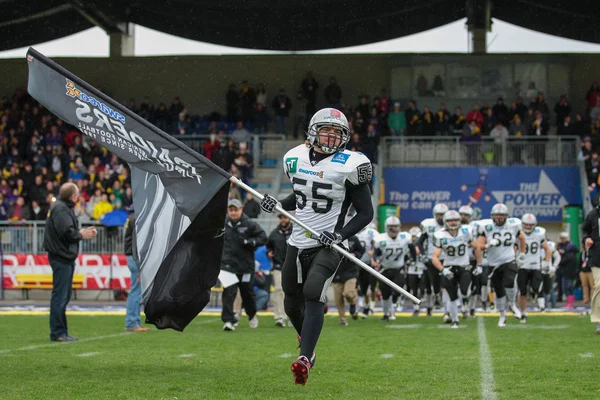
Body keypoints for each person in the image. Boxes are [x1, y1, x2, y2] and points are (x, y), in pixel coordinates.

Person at [259, 107, 374, 385]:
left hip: (329, 244)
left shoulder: (351, 164)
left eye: (338, 133)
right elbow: (301, 197)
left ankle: (306, 357)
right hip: (297, 241)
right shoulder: (295, 157)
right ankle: (305, 337)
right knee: (290, 301)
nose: (332, 137)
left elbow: (366, 213)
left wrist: (339, 235)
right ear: (313, 131)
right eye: (327, 131)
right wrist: (278, 204)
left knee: (313, 293)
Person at [44, 182, 97, 342]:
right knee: (60, 296)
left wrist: (79, 233)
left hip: (61, 256)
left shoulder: (60, 207)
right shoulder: (61, 209)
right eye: (77, 193)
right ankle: (59, 333)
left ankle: (60, 332)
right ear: (73, 196)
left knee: (61, 296)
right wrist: (82, 235)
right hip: (61, 257)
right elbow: (66, 232)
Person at [220, 199, 267, 331]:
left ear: (241, 209)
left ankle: (252, 315)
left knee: (248, 294)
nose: (233, 212)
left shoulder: (250, 224)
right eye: (231, 210)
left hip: (245, 266)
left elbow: (263, 237)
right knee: (229, 293)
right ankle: (229, 320)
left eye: (236, 209)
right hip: (227, 266)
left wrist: (250, 242)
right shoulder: (222, 224)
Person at [476, 203, 526, 327]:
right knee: (499, 291)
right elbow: (478, 245)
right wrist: (488, 245)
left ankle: (512, 304)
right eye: (497, 215)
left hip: (509, 259)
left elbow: (522, 238)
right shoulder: (486, 227)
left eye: (502, 215)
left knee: (510, 282)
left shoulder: (513, 225)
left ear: (506, 216)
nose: (499, 218)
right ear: (492, 216)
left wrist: (522, 252)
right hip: (493, 263)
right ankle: (502, 315)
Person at [432, 210, 481, 328]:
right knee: (452, 295)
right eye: (450, 220)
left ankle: (464, 301)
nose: (453, 223)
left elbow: (477, 247)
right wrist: (442, 269)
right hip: (449, 267)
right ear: (445, 221)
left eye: (455, 220)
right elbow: (435, 257)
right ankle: (455, 320)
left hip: (464, 266)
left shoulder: (466, 231)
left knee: (465, 290)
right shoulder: (440, 235)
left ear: (459, 221)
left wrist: (479, 264)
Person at [373, 217, 415, 322]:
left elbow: (412, 249)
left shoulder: (405, 237)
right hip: (385, 269)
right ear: (387, 227)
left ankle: (395, 302)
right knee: (385, 294)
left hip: (398, 268)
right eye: (392, 226)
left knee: (398, 288)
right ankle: (386, 314)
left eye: (396, 226)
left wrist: (412, 259)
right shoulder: (381, 239)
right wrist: (375, 259)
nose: (394, 229)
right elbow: (376, 253)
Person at [517, 214, 551, 323]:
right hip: (522, 266)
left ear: (534, 225)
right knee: (522, 292)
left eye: (530, 225)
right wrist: (515, 258)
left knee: (536, 288)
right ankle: (523, 313)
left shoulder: (539, 233)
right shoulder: (518, 234)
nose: (527, 227)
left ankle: (534, 293)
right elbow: (513, 248)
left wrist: (546, 261)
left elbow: (547, 249)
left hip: (535, 265)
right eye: (526, 224)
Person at [417, 203, 449, 316]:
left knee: (447, 284)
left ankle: (447, 310)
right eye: (439, 214)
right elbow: (419, 242)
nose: (441, 217)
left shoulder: (452, 224)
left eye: (443, 214)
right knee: (434, 283)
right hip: (432, 259)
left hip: (447, 259)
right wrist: (423, 255)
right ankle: (436, 299)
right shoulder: (429, 225)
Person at [124, 206, 151, 332]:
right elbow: (137, 241)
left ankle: (135, 321)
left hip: (133, 256)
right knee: (135, 290)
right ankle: (131, 322)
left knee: (136, 290)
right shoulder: (137, 218)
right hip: (136, 257)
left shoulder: (132, 217)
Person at [266, 214, 293, 327]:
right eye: (281, 218)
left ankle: (294, 316)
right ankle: (280, 316)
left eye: (285, 218)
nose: (283, 220)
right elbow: (268, 246)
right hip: (278, 266)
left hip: (293, 266)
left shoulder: (296, 231)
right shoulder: (274, 233)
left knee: (293, 292)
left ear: (289, 218)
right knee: (278, 290)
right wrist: (269, 252)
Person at [332, 235, 364, 326]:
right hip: (337, 271)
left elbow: (361, 250)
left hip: (351, 271)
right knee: (338, 299)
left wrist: (355, 255)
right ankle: (343, 320)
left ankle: (353, 303)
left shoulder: (353, 238)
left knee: (348, 293)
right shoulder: (333, 236)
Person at [582, 198, 600, 333]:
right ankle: (598, 320)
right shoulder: (592, 215)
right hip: (597, 257)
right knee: (599, 286)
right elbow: (585, 231)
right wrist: (586, 238)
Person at [356, 222, 379, 318]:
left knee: (368, 287)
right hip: (356, 263)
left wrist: (373, 253)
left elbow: (378, 243)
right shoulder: (354, 232)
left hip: (368, 263)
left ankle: (368, 306)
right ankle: (360, 304)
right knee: (355, 285)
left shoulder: (370, 232)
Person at [557, 232, 579, 309]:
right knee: (566, 288)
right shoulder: (570, 253)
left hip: (569, 272)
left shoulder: (570, 254)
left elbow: (563, 261)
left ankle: (570, 303)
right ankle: (569, 303)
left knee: (568, 288)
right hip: (566, 271)